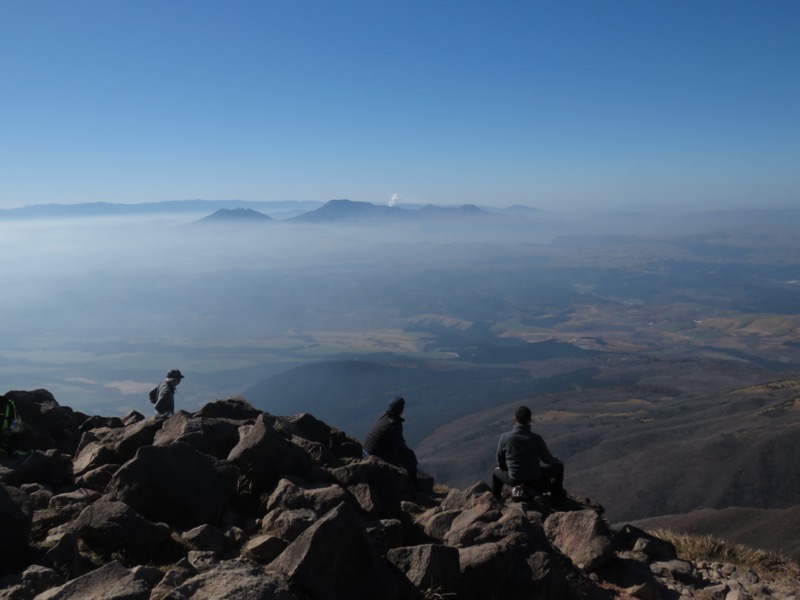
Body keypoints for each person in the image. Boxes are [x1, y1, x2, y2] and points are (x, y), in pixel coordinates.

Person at [492, 405, 566, 503]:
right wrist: (557, 461)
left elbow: (500, 459)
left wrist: (503, 468)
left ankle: (497, 499)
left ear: (515, 419)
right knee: (559, 467)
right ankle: (557, 497)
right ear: (530, 420)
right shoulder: (536, 438)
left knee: (495, 473)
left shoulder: (504, 437)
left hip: (514, 479)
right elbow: (547, 460)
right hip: (535, 479)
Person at [363, 396, 418, 485]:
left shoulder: (383, 415)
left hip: (365, 451)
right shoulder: (394, 424)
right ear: (401, 409)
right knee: (410, 455)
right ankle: (414, 484)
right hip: (375, 457)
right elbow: (400, 446)